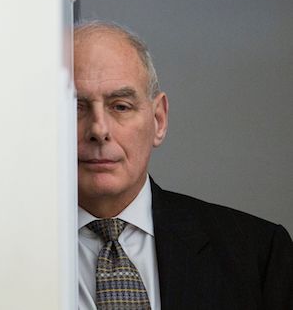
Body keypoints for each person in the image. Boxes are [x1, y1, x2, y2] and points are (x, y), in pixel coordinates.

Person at [74, 20, 293, 309]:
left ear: (158, 121)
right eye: (75, 107)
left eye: (120, 106)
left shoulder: (259, 253)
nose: (99, 130)